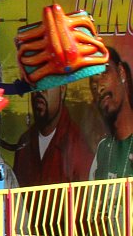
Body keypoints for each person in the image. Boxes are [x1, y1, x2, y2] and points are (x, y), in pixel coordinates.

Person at [13, 83, 95, 187]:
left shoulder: (78, 147)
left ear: (62, 89)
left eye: (47, 80)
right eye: (34, 82)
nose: (39, 90)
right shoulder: (24, 144)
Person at [90, 47, 133, 180]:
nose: (99, 88)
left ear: (121, 73)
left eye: (103, 73)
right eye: (93, 84)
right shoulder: (102, 151)